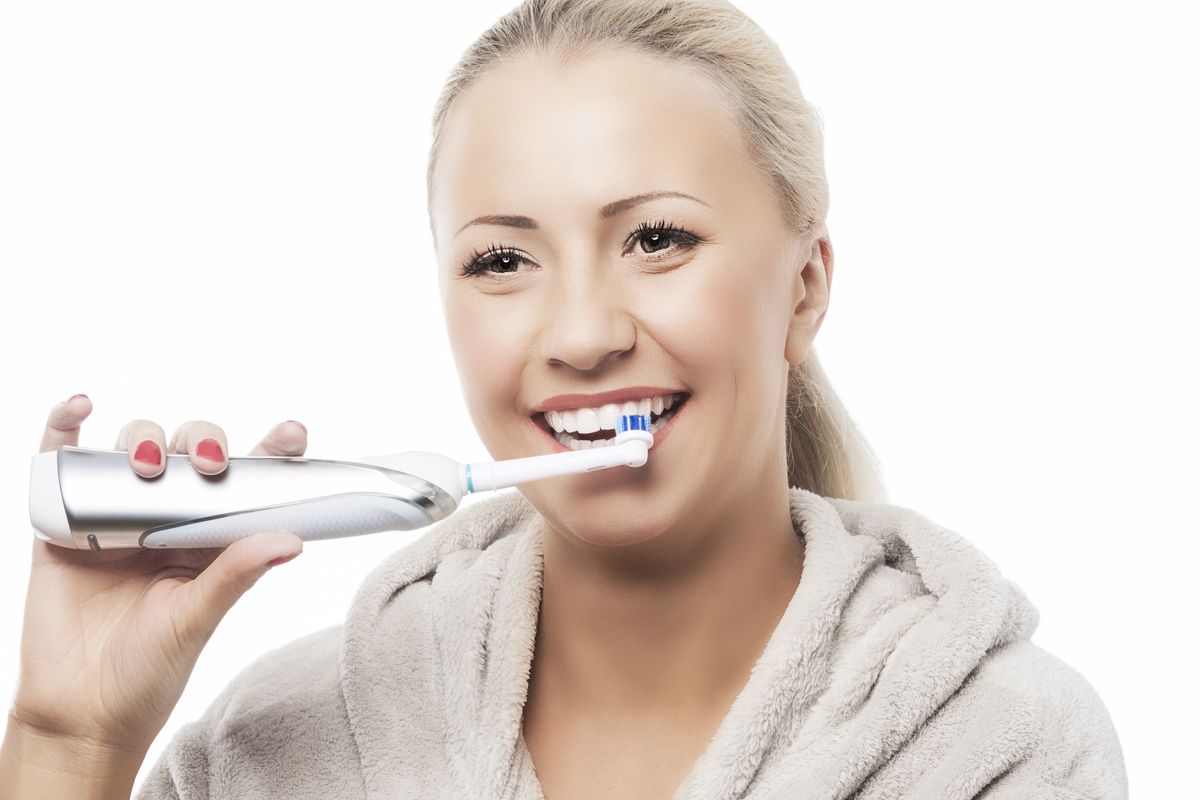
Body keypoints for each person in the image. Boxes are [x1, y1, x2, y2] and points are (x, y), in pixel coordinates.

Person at [1, 1, 1128, 798]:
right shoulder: (267, 755)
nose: (583, 334)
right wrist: (67, 743)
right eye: (502, 260)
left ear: (805, 287)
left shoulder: (1000, 748)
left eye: (658, 238)